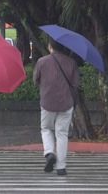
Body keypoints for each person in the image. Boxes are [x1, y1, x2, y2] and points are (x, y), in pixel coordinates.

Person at [33, 39, 79, 176]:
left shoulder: (42, 61)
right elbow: (75, 84)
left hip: (47, 102)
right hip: (66, 102)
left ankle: (49, 153)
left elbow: (35, 80)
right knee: (62, 133)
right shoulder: (72, 62)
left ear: (50, 47)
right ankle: (61, 167)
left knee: (46, 128)